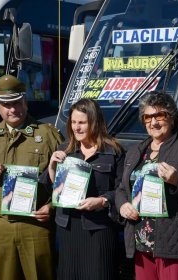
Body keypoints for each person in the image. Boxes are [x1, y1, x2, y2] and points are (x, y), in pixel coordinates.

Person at [0, 74, 64, 280]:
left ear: (25, 102)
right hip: (2, 227)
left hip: (36, 226)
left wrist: (52, 207)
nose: (12, 109)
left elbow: (67, 180)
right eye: (6, 105)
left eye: (17, 102)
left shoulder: (48, 135)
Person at [115, 91, 178, 280]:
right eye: (148, 117)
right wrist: (123, 205)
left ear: (172, 118)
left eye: (160, 115)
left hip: (174, 242)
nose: (154, 122)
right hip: (140, 241)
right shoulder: (136, 151)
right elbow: (121, 188)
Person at [46, 98, 125, 280]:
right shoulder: (65, 149)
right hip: (68, 226)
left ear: (94, 122)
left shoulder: (114, 151)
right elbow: (57, 189)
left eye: (82, 122)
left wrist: (102, 201)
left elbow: (122, 189)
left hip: (99, 228)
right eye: (73, 122)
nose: (76, 127)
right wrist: (52, 167)